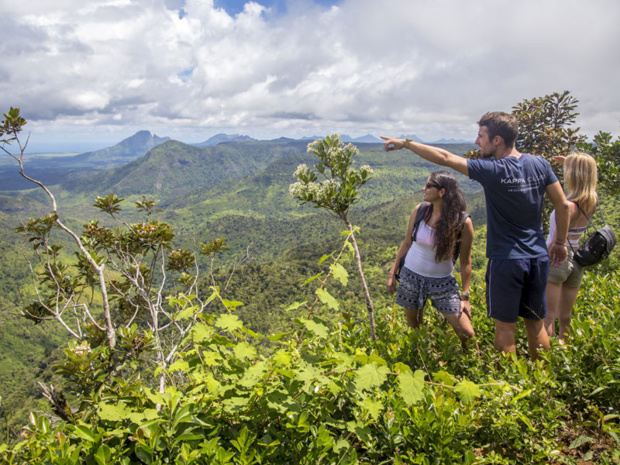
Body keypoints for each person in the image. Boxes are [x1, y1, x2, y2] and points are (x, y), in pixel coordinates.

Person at [382, 111, 570, 361]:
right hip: (538, 257)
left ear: (498, 140)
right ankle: (542, 385)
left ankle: (510, 390)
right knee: (536, 325)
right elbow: (563, 205)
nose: (476, 142)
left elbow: (446, 158)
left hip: (506, 260)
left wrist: (407, 143)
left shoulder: (493, 170)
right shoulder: (539, 164)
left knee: (505, 329)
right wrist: (559, 243)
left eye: (481, 136)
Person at [387, 171, 476, 348]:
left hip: (442, 283)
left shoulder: (462, 222)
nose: (424, 188)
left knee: (467, 333)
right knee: (415, 327)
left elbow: (466, 261)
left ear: (442, 191)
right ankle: (422, 363)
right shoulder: (420, 211)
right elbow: (406, 243)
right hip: (411, 276)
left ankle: (472, 367)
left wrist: (465, 297)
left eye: (428, 185)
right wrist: (392, 274)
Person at [544, 152, 598, 339]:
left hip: (557, 261)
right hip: (576, 262)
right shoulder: (592, 200)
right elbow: (586, 172)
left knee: (548, 316)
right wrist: (569, 162)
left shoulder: (567, 207)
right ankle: (566, 356)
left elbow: (555, 242)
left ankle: (546, 362)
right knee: (565, 317)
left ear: (573, 175)